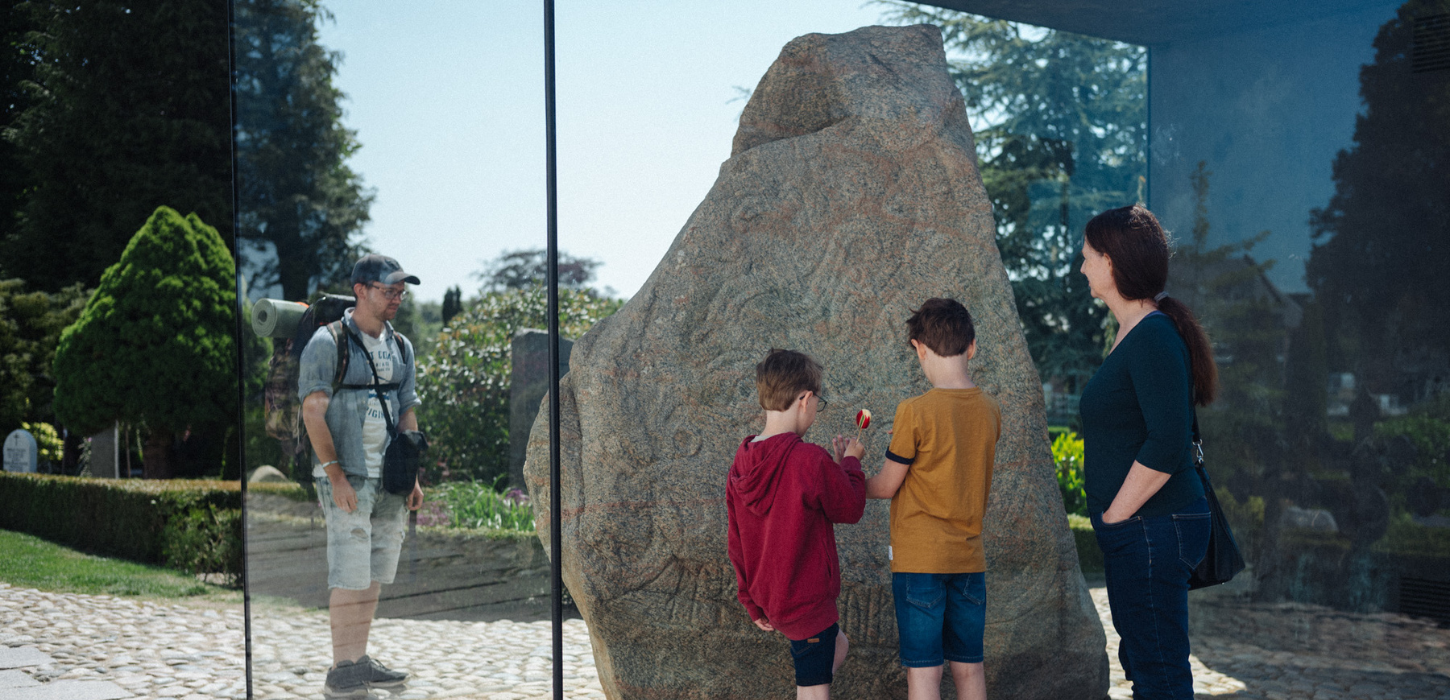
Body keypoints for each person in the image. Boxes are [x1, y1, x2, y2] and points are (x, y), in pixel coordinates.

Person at [1078, 204, 1217, 700]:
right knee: (1145, 665)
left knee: (1159, 676)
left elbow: (1168, 438)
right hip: (1145, 530)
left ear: (1112, 263)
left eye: (1089, 256)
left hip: (1152, 528)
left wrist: (1116, 515)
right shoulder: (1135, 333)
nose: (1082, 266)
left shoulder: (1153, 336)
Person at [298, 254, 425, 698]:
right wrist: (334, 476)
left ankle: (359, 659)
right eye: (389, 289)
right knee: (350, 573)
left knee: (373, 574)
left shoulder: (401, 346)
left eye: (401, 291)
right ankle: (341, 669)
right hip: (348, 476)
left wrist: (411, 477)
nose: (397, 297)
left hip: (388, 479)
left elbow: (407, 412)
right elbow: (313, 412)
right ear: (361, 290)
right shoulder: (327, 343)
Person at [865, 298, 1000, 700]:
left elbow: (888, 485)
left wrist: (850, 473)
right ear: (972, 347)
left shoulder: (914, 411)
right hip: (969, 560)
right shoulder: (991, 410)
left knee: (924, 673)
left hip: (920, 561)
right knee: (969, 668)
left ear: (918, 348)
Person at [726, 349, 867, 699]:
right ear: (804, 398)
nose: (817, 407)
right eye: (818, 399)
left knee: (838, 646)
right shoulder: (808, 459)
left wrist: (750, 600)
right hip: (807, 604)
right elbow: (849, 509)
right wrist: (850, 464)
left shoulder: (742, 461)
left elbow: (737, 539)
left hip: (772, 599)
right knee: (814, 690)